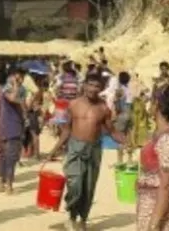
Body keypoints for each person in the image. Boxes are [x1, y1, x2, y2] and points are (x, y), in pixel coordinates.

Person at [49, 73, 126, 231]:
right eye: (90, 85)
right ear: (84, 85)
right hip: (75, 148)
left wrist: (125, 141)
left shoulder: (104, 108)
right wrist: (54, 150)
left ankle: (82, 219)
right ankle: (71, 216)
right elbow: (66, 130)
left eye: (96, 86)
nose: (92, 89)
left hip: (94, 150)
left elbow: (111, 130)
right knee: (75, 184)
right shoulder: (73, 104)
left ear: (101, 88)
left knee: (89, 187)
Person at [136, 84, 169, 231]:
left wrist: (154, 224)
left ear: (157, 104)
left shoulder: (167, 139)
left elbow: (166, 184)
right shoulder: (163, 134)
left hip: (159, 209)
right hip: (153, 204)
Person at [0, 67, 28, 193]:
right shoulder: (7, 88)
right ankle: (5, 183)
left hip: (16, 125)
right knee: (6, 156)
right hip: (7, 125)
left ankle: (5, 182)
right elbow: (12, 98)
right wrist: (15, 84)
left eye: (21, 77)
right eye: (18, 77)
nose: (20, 80)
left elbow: (24, 106)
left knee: (11, 156)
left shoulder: (23, 90)